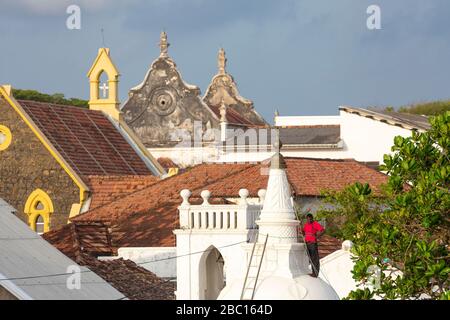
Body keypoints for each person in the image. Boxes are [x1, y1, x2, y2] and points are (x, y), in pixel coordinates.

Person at [301, 213, 325, 277]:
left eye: (310, 219)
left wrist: (317, 236)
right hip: (307, 243)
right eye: (308, 219)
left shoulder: (315, 223)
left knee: (315, 258)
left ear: (312, 219)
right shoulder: (306, 225)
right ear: (307, 219)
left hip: (312, 243)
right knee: (310, 258)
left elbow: (322, 230)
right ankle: (312, 272)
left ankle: (315, 273)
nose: (309, 220)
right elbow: (303, 231)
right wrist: (302, 231)